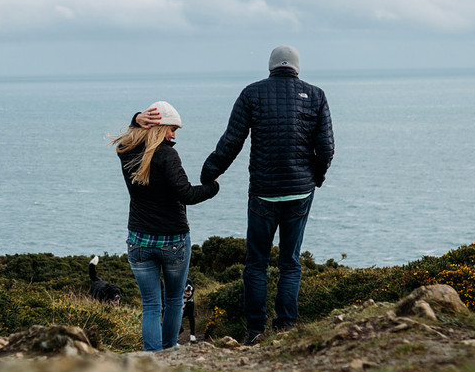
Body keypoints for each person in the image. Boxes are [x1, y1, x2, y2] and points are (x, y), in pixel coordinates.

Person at [143, 46, 333, 341]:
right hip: (299, 193)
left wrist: (209, 173)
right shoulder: (317, 95)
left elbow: (232, 140)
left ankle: (255, 330)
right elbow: (326, 148)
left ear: (270, 68)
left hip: (263, 194)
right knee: (290, 262)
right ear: (297, 68)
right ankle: (285, 328)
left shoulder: (252, 93)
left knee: (256, 263)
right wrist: (315, 179)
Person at [112, 100, 220, 352]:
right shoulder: (167, 155)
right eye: (172, 129)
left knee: (151, 305)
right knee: (173, 300)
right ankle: (169, 352)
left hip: (139, 240)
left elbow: (124, 140)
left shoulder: (126, 150)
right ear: (158, 128)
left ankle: (152, 357)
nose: (174, 136)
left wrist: (135, 118)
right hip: (173, 240)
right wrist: (213, 187)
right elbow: (187, 195)